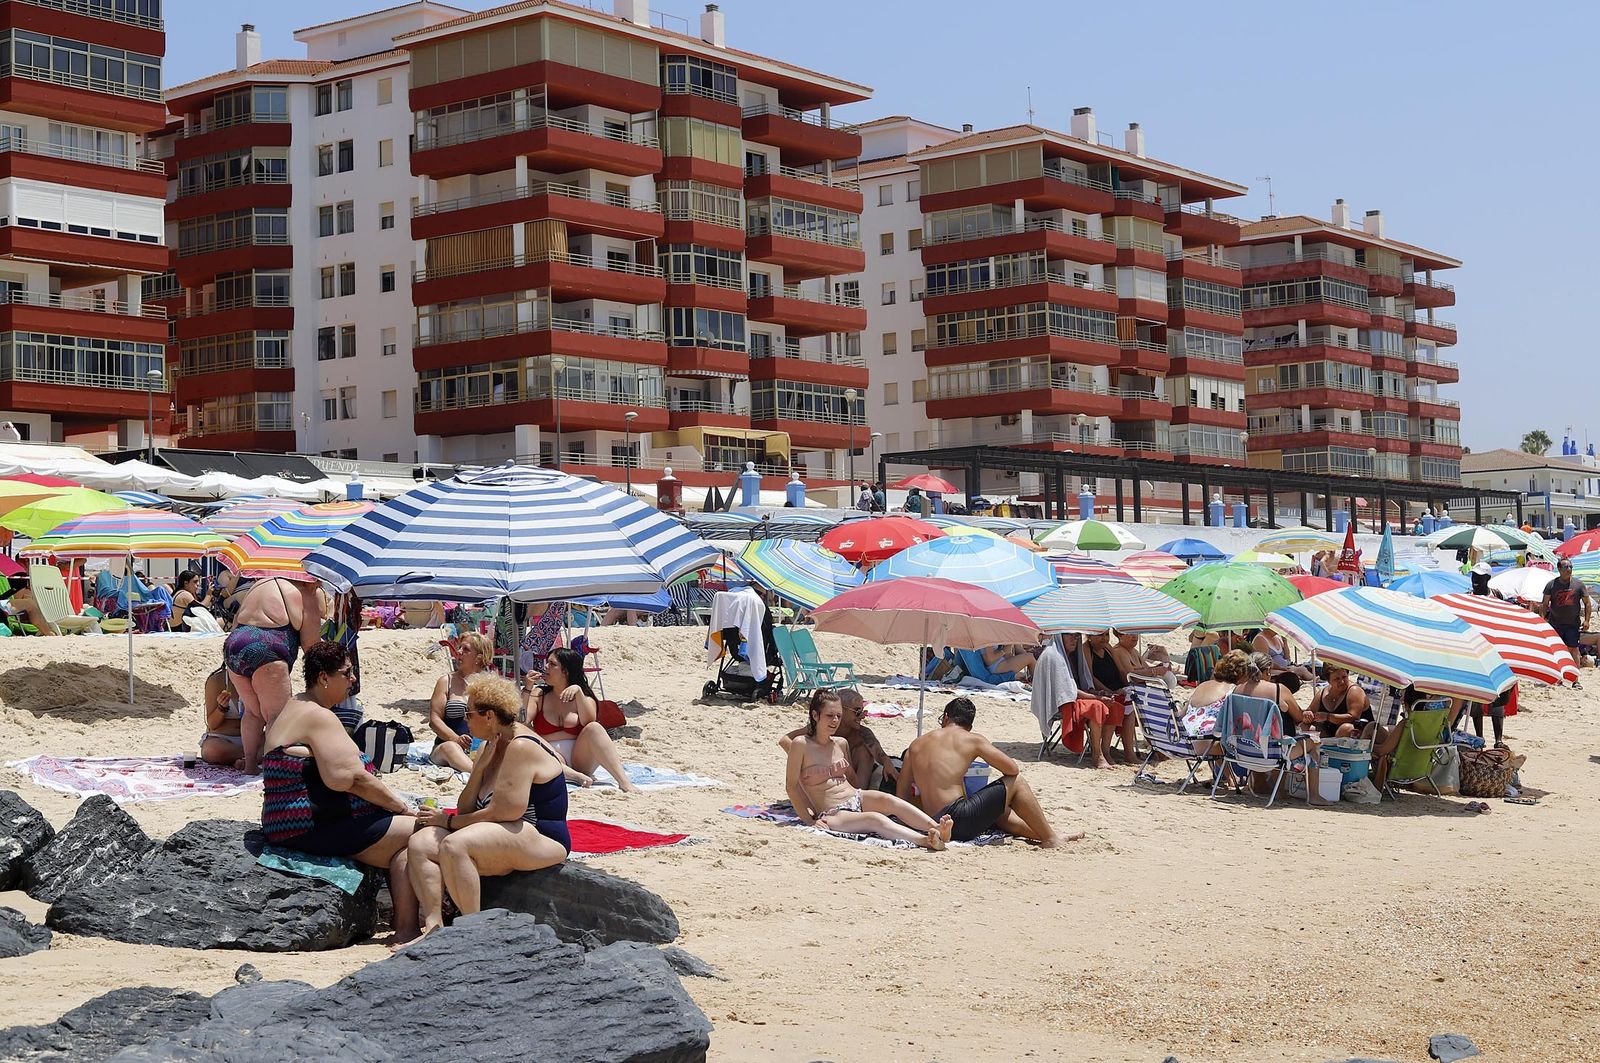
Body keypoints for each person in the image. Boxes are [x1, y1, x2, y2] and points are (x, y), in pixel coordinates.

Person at [259, 641, 418, 940]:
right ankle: (412, 926)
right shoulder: (319, 716)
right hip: (312, 825)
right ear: (323, 677)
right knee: (423, 831)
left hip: (287, 823)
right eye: (347, 673)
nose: (353, 679)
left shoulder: (294, 707)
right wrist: (401, 807)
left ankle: (406, 927)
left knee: (406, 847)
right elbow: (349, 779)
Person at [404, 673, 570, 942]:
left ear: (489, 716)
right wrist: (479, 770)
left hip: (540, 835)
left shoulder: (520, 745)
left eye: (469, 714)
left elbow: (504, 812)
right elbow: (465, 807)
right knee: (421, 843)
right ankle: (434, 927)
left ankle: (474, 932)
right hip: (502, 831)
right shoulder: (489, 744)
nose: (465, 720)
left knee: (454, 845)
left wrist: (447, 822)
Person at [900, 697, 1078, 847]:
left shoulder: (915, 746)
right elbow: (1012, 769)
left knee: (999, 812)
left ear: (946, 717)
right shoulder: (972, 740)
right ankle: (1051, 839)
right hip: (958, 819)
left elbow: (902, 796)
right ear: (969, 726)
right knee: (1017, 782)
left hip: (933, 822)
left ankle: (1046, 833)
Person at [785, 691, 951, 850]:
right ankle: (925, 841)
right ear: (815, 715)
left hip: (855, 797)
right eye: (830, 715)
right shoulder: (801, 744)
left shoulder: (840, 743)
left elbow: (851, 777)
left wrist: (865, 792)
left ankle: (937, 828)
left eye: (839, 716)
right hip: (833, 812)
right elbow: (791, 786)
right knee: (875, 818)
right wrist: (809, 819)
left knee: (889, 800)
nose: (835, 720)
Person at [226, 576, 323, 774]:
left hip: (235, 644)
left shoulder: (258, 585)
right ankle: (272, 770)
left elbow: (236, 622)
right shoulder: (305, 594)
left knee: (252, 712)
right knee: (276, 716)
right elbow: (311, 646)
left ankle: (250, 765)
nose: (320, 585)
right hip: (269, 646)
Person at [523, 646, 637, 792]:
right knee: (523, 732)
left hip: (581, 758)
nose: (546, 667)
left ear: (566, 671)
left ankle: (624, 782)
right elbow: (523, 720)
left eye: (552, 664)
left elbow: (588, 722)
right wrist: (527, 689)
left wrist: (578, 692)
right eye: (547, 662)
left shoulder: (584, 697)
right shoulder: (539, 694)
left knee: (594, 727)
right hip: (550, 754)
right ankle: (574, 776)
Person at [778, 688, 896, 789]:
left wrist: (887, 762)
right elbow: (785, 740)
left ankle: (857, 792)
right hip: (822, 775)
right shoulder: (821, 727)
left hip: (850, 778)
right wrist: (809, 759)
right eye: (857, 711)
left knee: (864, 752)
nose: (862, 716)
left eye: (863, 711)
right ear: (842, 709)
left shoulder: (861, 733)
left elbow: (877, 751)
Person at [428, 631, 493, 773]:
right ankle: (478, 775)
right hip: (447, 746)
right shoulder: (446, 682)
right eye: (459, 648)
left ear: (479, 657)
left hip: (480, 747)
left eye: (466, 649)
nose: (459, 652)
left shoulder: (490, 685)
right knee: (450, 748)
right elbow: (434, 720)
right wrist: (456, 738)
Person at [1540, 559, 1591, 679]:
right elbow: (1545, 604)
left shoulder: (1578, 585)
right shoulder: (1551, 585)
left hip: (1573, 624)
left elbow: (1587, 603)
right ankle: (1557, 676)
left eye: (1570, 567)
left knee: (1573, 649)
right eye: (1566, 567)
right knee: (1556, 650)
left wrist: (1587, 620)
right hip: (1555, 624)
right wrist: (1542, 619)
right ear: (1559, 569)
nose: (1569, 569)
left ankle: (1575, 679)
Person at [1235, 652, 1308, 733]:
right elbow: (1299, 717)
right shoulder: (1279, 690)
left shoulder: (1237, 689)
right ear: (1268, 670)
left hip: (1244, 738)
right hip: (1277, 740)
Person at [1303, 667, 1372, 738]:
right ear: (1328, 681)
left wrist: (1328, 717)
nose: (1342, 682)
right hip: (1330, 732)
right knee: (1304, 726)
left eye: (1344, 677)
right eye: (1337, 679)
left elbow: (1353, 718)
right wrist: (1307, 715)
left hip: (1359, 731)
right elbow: (1309, 710)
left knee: (1346, 728)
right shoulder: (1322, 693)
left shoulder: (1354, 691)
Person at [199, 665, 245, 765]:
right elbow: (212, 725)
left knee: (276, 741)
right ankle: (252, 757)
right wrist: (221, 708)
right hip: (223, 738)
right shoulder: (217, 680)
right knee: (212, 750)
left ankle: (243, 759)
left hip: (253, 739)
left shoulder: (258, 678)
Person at [1110, 632, 1177, 690]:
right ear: (1120, 635)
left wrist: (1160, 667)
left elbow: (1146, 669)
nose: (1135, 636)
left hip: (1140, 689)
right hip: (1131, 691)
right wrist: (1155, 671)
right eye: (1130, 633)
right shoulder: (1119, 651)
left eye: (1136, 632)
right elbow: (1131, 677)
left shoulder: (1133, 651)